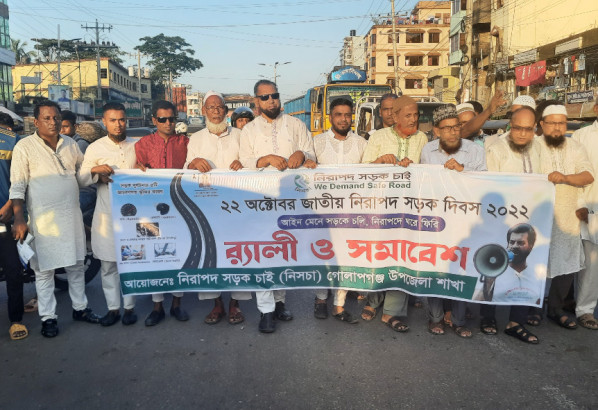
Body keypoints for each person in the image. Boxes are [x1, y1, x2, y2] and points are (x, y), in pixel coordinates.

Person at [10, 100, 100, 338]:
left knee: (76, 266)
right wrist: (19, 218)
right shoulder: (24, 147)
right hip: (43, 220)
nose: (53, 122)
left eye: (56, 118)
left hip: (71, 216)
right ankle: (48, 318)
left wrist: (96, 173)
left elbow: (80, 176)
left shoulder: (70, 144)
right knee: (44, 271)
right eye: (47, 118)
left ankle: (80, 308)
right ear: (36, 122)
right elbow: (17, 186)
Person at [239, 79, 316, 333]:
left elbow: (311, 152)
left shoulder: (296, 124)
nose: (271, 100)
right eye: (265, 97)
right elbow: (243, 161)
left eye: (274, 95)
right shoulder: (249, 130)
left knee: (284, 251)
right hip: (259, 201)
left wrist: (302, 154)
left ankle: (280, 302)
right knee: (263, 253)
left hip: (289, 200)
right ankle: (266, 310)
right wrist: (266, 158)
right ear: (257, 101)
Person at [360, 95, 428, 334]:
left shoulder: (422, 139)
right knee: (380, 255)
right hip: (381, 207)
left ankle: (392, 311)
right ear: (395, 116)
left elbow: (427, 173)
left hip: (409, 209)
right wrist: (380, 161)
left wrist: (414, 168)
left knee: (402, 255)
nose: (413, 119)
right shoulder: (378, 137)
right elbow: (362, 172)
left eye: (416, 115)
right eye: (407, 115)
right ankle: (373, 300)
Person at [420, 104, 487, 338]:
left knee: (461, 268)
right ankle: (436, 317)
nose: (453, 132)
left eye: (456, 127)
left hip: (464, 220)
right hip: (436, 219)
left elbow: (485, 182)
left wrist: (462, 170)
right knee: (435, 267)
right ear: (437, 131)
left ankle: (458, 320)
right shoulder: (427, 151)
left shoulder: (475, 150)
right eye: (447, 128)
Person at [185, 91, 250, 326]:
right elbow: (186, 167)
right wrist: (193, 163)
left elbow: (252, 161)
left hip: (237, 205)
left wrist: (243, 163)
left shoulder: (241, 135)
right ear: (204, 111)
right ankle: (216, 303)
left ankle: (235, 303)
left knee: (237, 253)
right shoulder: (196, 138)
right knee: (210, 254)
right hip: (207, 207)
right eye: (211, 108)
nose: (215, 112)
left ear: (226, 111)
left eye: (219, 107)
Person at [304, 98, 367, 324]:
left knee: (347, 254)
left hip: (351, 210)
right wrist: (307, 163)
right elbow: (307, 164)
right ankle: (321, 299)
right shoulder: (317, 142)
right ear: (330, 117)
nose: (343, 119)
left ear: (352, 117)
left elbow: (370, 173)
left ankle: (339, 305)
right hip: (323, 210)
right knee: (323, 255)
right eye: (338, 114)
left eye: (347, 115)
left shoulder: (361, 143)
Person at [81, 102, 139, 326]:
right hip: (107, 214)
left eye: (122, 120)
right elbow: (81, 178)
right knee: (108, 265)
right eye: (113, 120)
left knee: (132, 262)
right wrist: (96, 171)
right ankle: (113, 309)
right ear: (104, 122)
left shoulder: (136, 145)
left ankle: (130, 308)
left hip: (134, 216)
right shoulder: (95, 148)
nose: (118, 124)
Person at [537, 103, 594, 330]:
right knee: (535, 261)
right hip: (538, 213)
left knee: (567, 264)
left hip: (567, 214)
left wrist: (565, 178)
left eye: (561, 123)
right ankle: (531, 309)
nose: (557, 127)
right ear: (542, 124)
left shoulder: (575, 147)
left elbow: (588, 176)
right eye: (552, 123)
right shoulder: (532, 146)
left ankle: (556, 309)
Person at [135, 100, 190, 326]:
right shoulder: (143, 144)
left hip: (179, 205)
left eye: (172, 119)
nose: (168, 123)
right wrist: (137, 170)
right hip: (149, 207)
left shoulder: (186, 143)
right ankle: (157, 306)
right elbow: (135, 172)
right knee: (153, 254)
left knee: (179, 253)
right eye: (163, 119)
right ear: (154, 120)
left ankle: (177, 303)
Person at [572, 97, 598, 330]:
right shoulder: (582, 136)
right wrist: (579, 204)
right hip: (587, 206)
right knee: (587, 261)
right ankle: (583, 309)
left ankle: (583, 306)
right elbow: (573, 171)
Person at [0, 113, 27, 340]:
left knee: (13, 269)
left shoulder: (12, 141)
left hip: (4, 216)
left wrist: (10, 205)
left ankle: (16, 320)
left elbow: (21, 178)